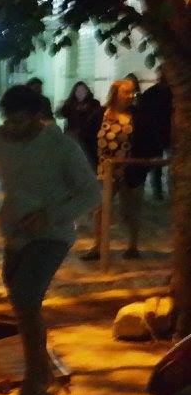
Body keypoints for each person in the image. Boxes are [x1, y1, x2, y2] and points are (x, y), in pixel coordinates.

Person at [0, 86, 100, 395]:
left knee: (26, 296)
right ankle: (41, 369)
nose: (13, 127)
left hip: (52, 235)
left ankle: (36, 376)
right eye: (9, 119)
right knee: (19, 298)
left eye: (21, 121)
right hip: (15, 232)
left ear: (38, 116)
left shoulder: (61, 146)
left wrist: (50, 216)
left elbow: (92, 193)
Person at [80, 78, 146, 260]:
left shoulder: (137, 116)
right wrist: (95, 160)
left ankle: (132, 246)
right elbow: (86, 135)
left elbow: (145, 141)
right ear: (115, 94)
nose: (130, 96)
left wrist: (132, 165)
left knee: (131, 209)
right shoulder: (101, 114)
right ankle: (98, 247)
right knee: (100, 209)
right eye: (126, 92)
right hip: (105, 169)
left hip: (130, 171)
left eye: (132, 92)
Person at [136, 67, 173, 201]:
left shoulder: (152, 93)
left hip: (159, 133)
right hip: (159, 133)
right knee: (159, 164)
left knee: (160, 164)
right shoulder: (169, 93)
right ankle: (160, 192)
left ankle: (160, 192)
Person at [58, 81, 104, 170]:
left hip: (89, 137)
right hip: (73, 136)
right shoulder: (70, 104)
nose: (80, 93)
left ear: (87, 91)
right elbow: (61, 114)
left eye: (83, 90)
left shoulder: (93, 103)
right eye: (78, 91)